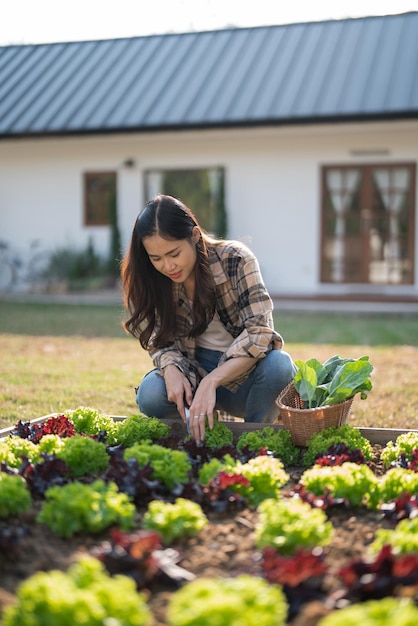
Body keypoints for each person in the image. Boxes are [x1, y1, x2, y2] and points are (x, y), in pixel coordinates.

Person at [121, 194, 295, 443]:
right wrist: (169, 367)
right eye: (156, 258)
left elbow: (260, 333)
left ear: (194, 236)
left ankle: (254, 439)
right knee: (150, 394)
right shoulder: (152, 277)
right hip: (192, 369)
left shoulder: (236, 259)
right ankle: (197, 433)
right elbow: (160, 340)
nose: (168, 266)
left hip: (245, 374)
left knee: (280, 366)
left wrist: (212, 381)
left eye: (174, 253)